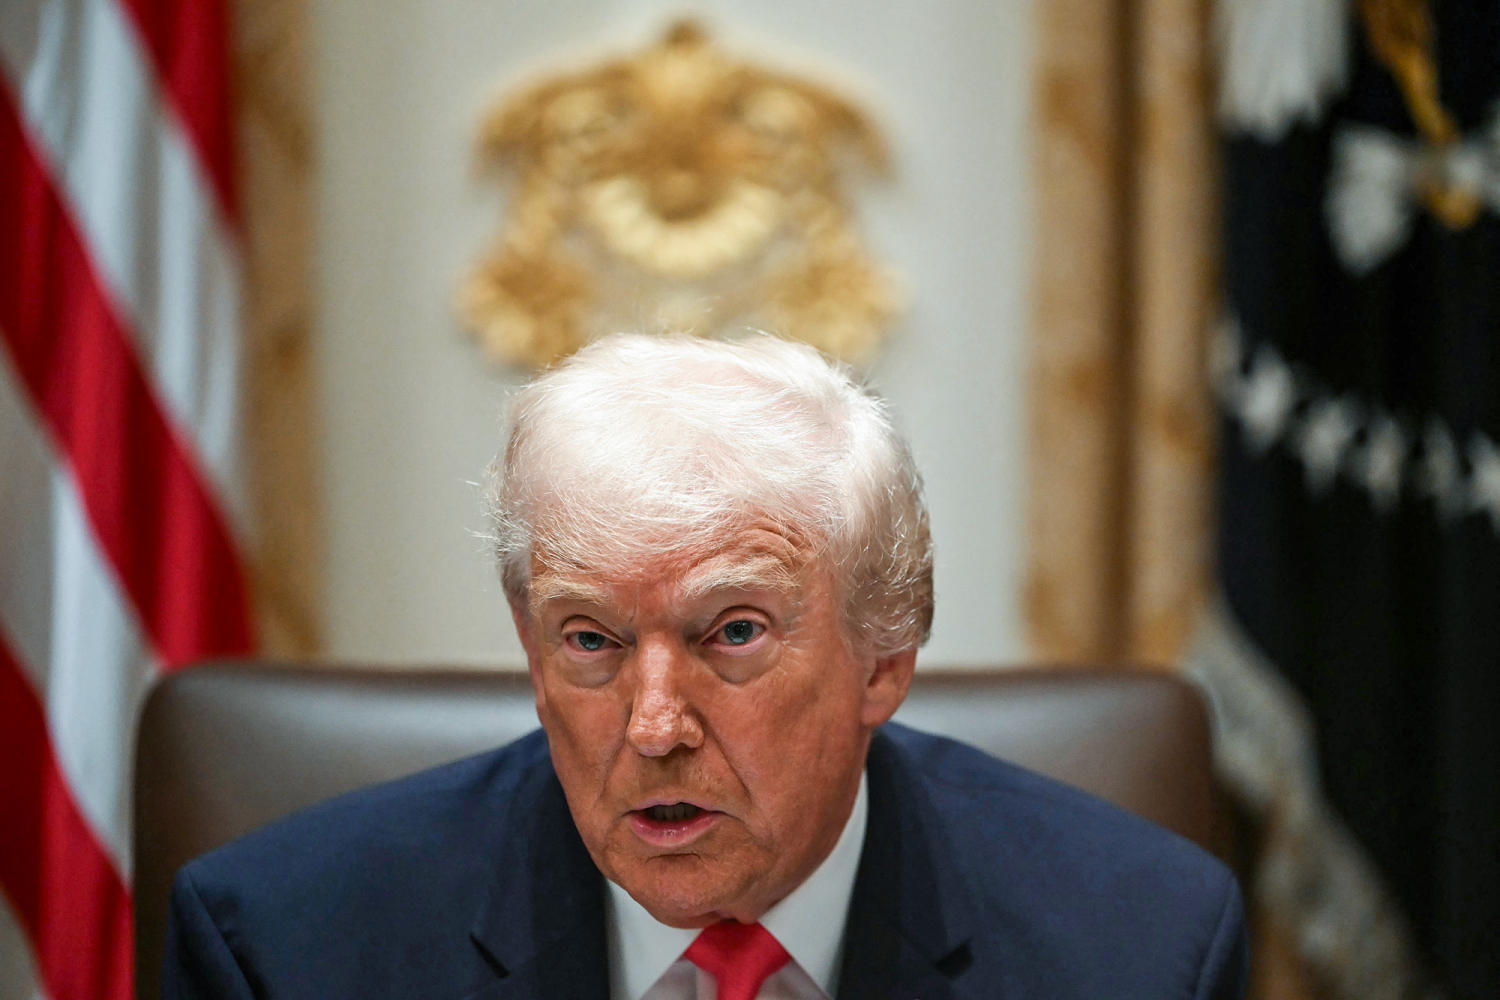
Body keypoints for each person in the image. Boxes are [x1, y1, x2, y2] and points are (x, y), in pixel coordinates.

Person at [162, 333, 1248, 998]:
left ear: (885, 655)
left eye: (732, 633)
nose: (654, 727)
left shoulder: (1140, 948)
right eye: (591, 639)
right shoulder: (285, 950)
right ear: (530, 646)